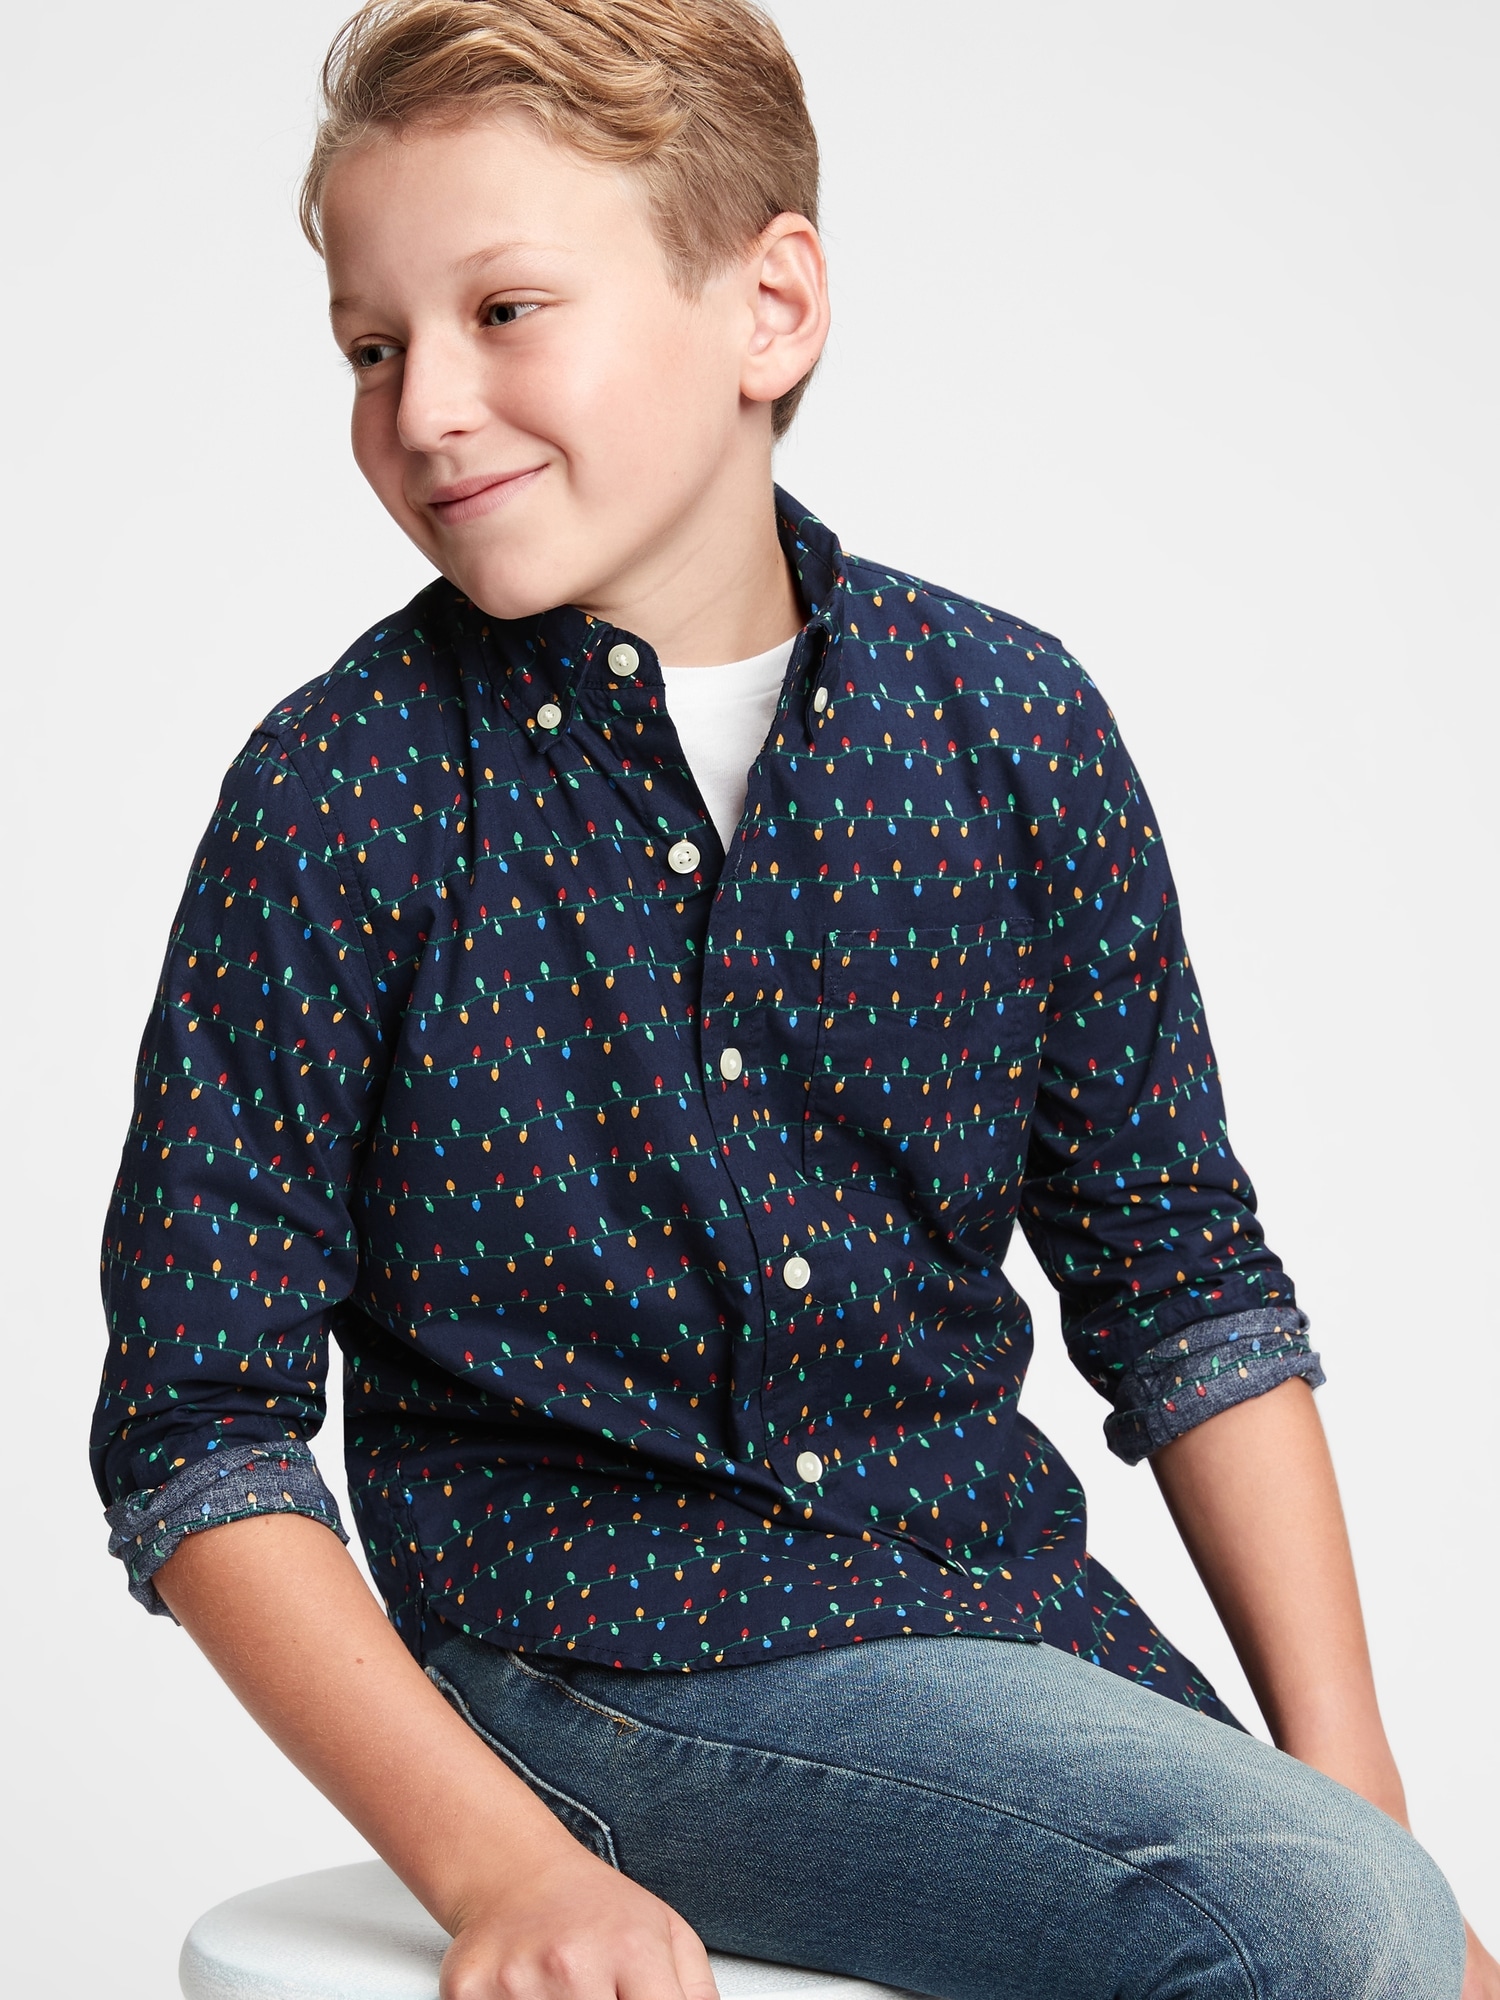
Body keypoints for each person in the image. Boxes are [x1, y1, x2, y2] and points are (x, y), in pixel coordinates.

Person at [89, 4, 1492, 1996]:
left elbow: (1182, 1280)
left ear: (770, 308)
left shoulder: (1010, 725)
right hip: (588, 1662)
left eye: (504, 310)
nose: (426, 406)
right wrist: (500, 1869)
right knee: (1307, 1923)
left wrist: (1361, 1804)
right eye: (372, 348)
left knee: (1352, 1917)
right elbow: (196, 1428)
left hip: (999, 1626)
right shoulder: (346, 791)